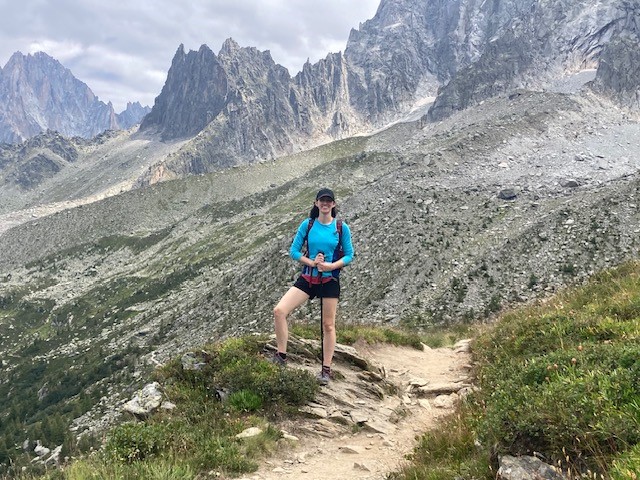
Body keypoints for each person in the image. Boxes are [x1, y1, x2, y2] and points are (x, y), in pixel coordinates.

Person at [272, 188, 354, 385]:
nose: (325, 204)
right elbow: (293, 251)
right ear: (316, 203)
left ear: (333, 205)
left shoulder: (341, 227)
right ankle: (281, 356)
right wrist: (311, 262)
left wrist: (331, 266)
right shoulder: (307, 225)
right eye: (322, 201)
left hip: (329, 280)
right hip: (309, 278)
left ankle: (326, 369)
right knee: (279, 311)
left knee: (328, 325)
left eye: (329, 201)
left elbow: (349, 255)